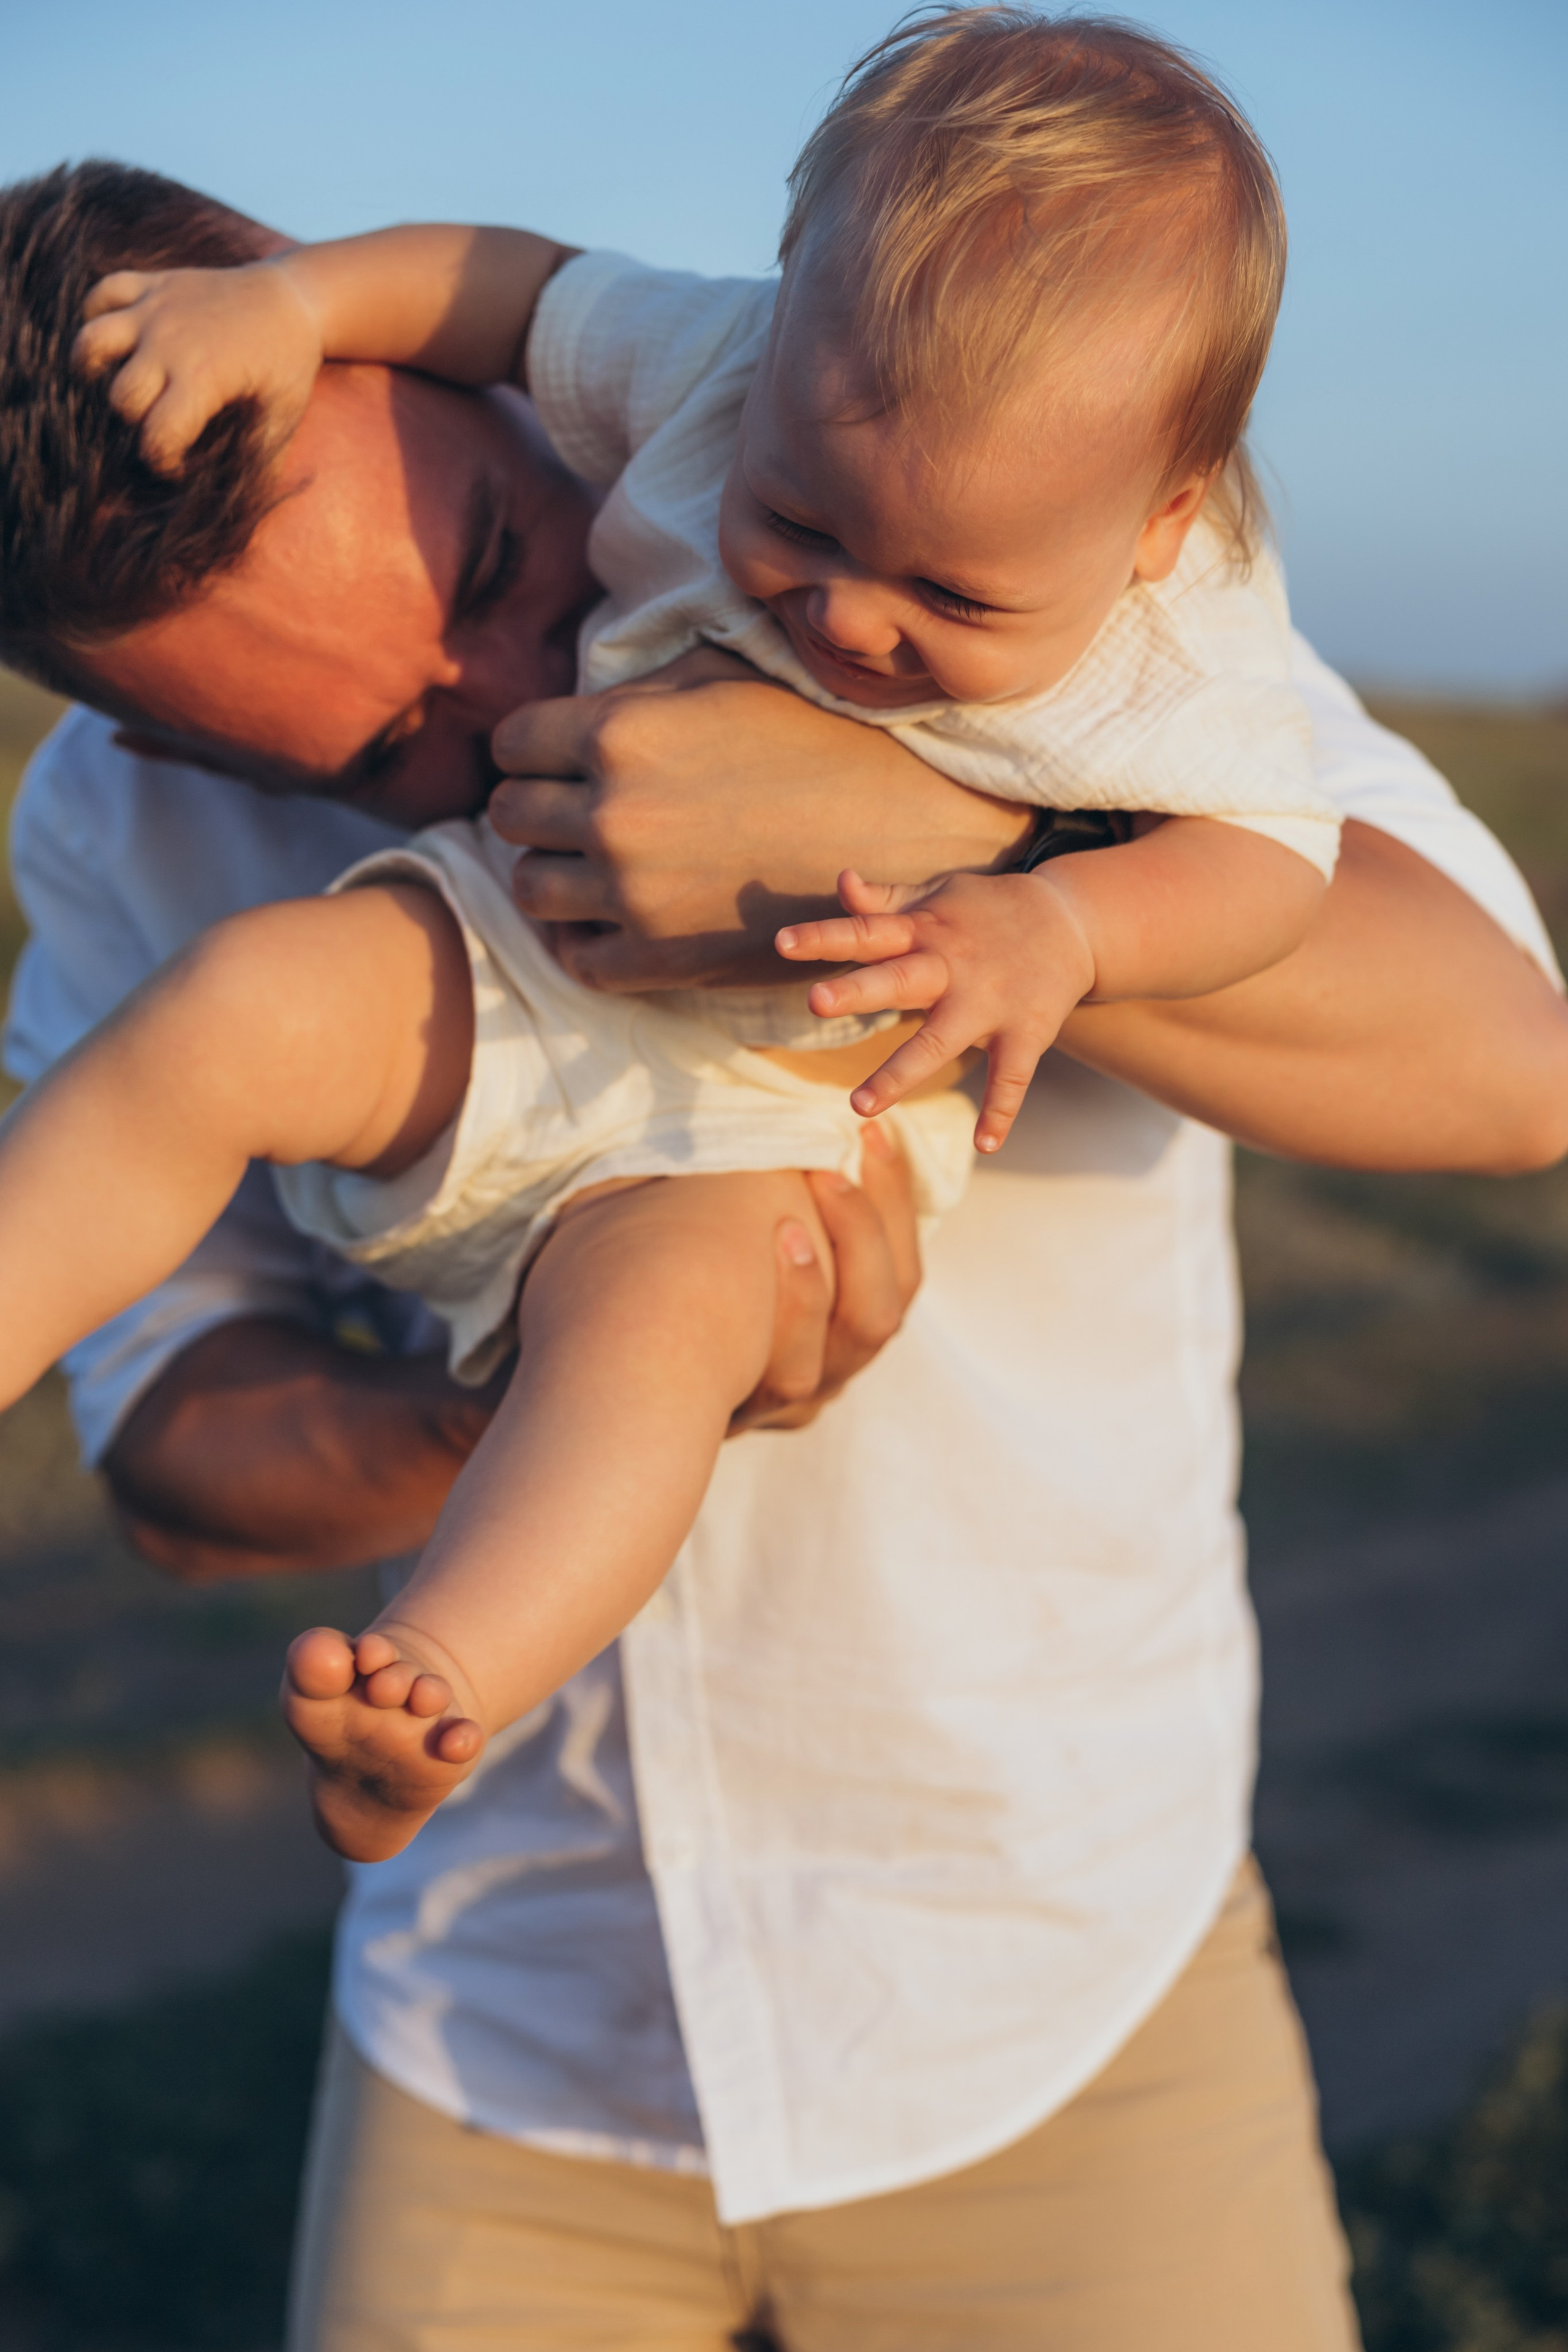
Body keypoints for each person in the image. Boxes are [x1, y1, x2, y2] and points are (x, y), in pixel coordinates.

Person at [4, 153, 1567, 2352]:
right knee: (274, 1057)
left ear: (368, 335)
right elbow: (166, 1456)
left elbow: (1514, 1066)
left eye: (490, 554)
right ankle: (465, 1657)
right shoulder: (118, 823)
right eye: (374, 750)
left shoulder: (926, 506)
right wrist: (507, 1409)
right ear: (154, 736)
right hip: (503, 2024)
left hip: (1050, 1984)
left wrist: (958, 849)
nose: (506, 705)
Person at [36, 10, 1339, 1856]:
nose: (849, 620)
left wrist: (1051, 911)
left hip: (768, 1122)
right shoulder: (725, 362)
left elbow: (1288, 871)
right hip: (514, 959)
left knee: (651, 1344)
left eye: (952, 596)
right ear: (784, 312)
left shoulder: (1179, 645)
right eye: (793, 521)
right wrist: (303, 307)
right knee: (236, 1005)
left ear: (1163, 520)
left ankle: (442, 1680)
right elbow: (510, 283)